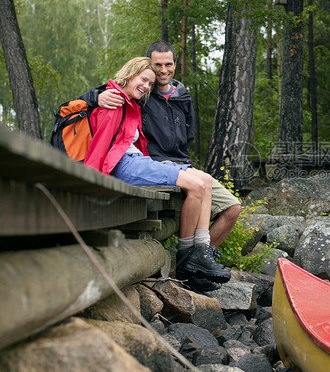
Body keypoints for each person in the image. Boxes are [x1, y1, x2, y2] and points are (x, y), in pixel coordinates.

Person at [79, 41, 241, 292]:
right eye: (144, 79)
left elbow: (185, 135)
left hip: (143, 160)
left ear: (175, 65)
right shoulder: (114, 100)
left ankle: (198, 255)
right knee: (199, 184)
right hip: (130, 163)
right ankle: (189, 259)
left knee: (207, 183)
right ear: (131, 74)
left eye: (149, 83)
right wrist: (90, 182)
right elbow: (100, 146)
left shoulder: (150, 99)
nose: (146, 86)